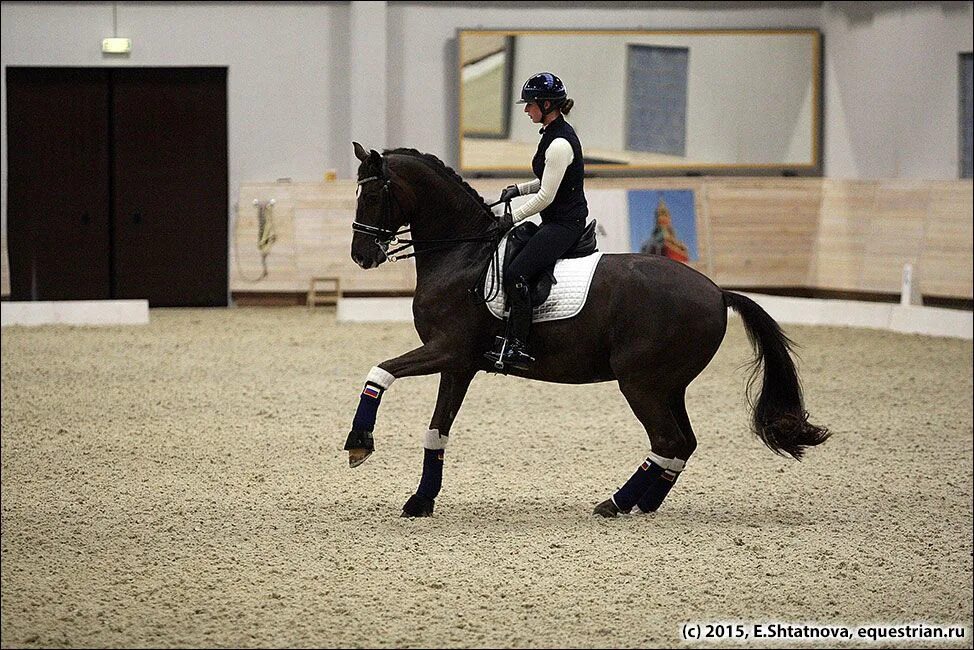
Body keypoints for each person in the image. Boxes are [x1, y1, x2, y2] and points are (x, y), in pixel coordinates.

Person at [485, 72, 589, 371]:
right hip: (554, 220)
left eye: (530, 104)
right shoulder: (552, 135)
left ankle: (519, 345)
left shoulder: (560, 144)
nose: (526, 110)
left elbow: (545, 196)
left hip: (565, 224)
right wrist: (517, 189)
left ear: (546, 104)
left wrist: (511, 217)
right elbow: (546, 181)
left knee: (517, 271)